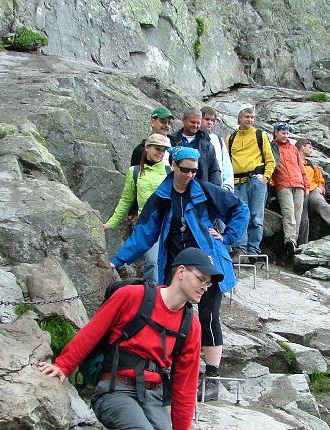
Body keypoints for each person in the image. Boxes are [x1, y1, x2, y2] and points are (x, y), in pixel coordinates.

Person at [37, 247, 223, 430]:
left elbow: (185, 383)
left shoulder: (192, 324)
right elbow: (93, 331)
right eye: (201, 279)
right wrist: (63, 365)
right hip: (115, 391)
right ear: (181, 272)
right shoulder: (132, 296)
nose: (204, 287)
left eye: (208, 283)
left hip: (153, 398)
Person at [110, 147, 248, 402]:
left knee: (208, 316)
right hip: (177, 268)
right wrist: (116, 260)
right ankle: (170, 372)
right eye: (185, 169)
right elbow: (144, 233)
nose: (190, 175)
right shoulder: (161, 197)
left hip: (209, 264)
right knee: (172, 318)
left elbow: (240, 209)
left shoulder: (205, 190)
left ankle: (212, 378)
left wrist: (227, 237)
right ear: (173, 166)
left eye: (194, 170)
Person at [103, 134, 171, 283]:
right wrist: (111, 223)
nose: (161, 153)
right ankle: (152, 294)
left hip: (168, 223)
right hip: (147, 225)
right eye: (157, 149)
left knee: (167, 264)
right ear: (147, 147)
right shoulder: (134, 172)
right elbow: (126, 200)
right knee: (152, 262)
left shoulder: (169, 171)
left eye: (164, 150)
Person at [226, 104, 276, 261]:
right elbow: (226, 161)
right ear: (239, 118)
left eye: (252, 117)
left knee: (256, 217)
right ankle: (240, 249)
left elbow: (270, 160)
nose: (250, 120)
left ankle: (253, 250)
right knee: (240, 216)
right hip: (236, 182)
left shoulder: (260, 135)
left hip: (256, 180)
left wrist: (266, 177)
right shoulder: (231, 138)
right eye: (247, 117)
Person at [296, 139, 330, 245]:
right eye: (309, 147)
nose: (311, 150)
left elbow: (320, 179)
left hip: (312, 191)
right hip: (298, 192)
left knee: (320, 203)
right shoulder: (293, 163)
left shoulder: (311, 164)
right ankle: (302, 245)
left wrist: (320, 187)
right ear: (302, 147)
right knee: (303, 219)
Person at [271, 123, 309, 257]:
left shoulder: (293, 148)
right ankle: (289, 240)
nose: (285, 135)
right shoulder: (272, 147)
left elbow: (301, 167)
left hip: (298, 184)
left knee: (297, 214)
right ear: (276, 133)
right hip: (283, 184)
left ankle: (293, 243)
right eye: (283, 133)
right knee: (288, 212)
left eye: (287, 133)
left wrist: (306, 184)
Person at [169, 108, 222, 187]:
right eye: (192, 122)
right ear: (184, 120)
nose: (195, 125)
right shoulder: (171, 140)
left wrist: (214, 190)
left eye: (198, 123)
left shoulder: (207, 144)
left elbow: (215, 170)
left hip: (200, 189)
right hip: (175, 187)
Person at [200, 106, 234, 192]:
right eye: (207, 119)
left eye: (212, 120)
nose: (210, 122)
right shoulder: (193, 138)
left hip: (217, 186)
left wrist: (228, 186)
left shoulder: (218, 140)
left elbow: (226, 164)